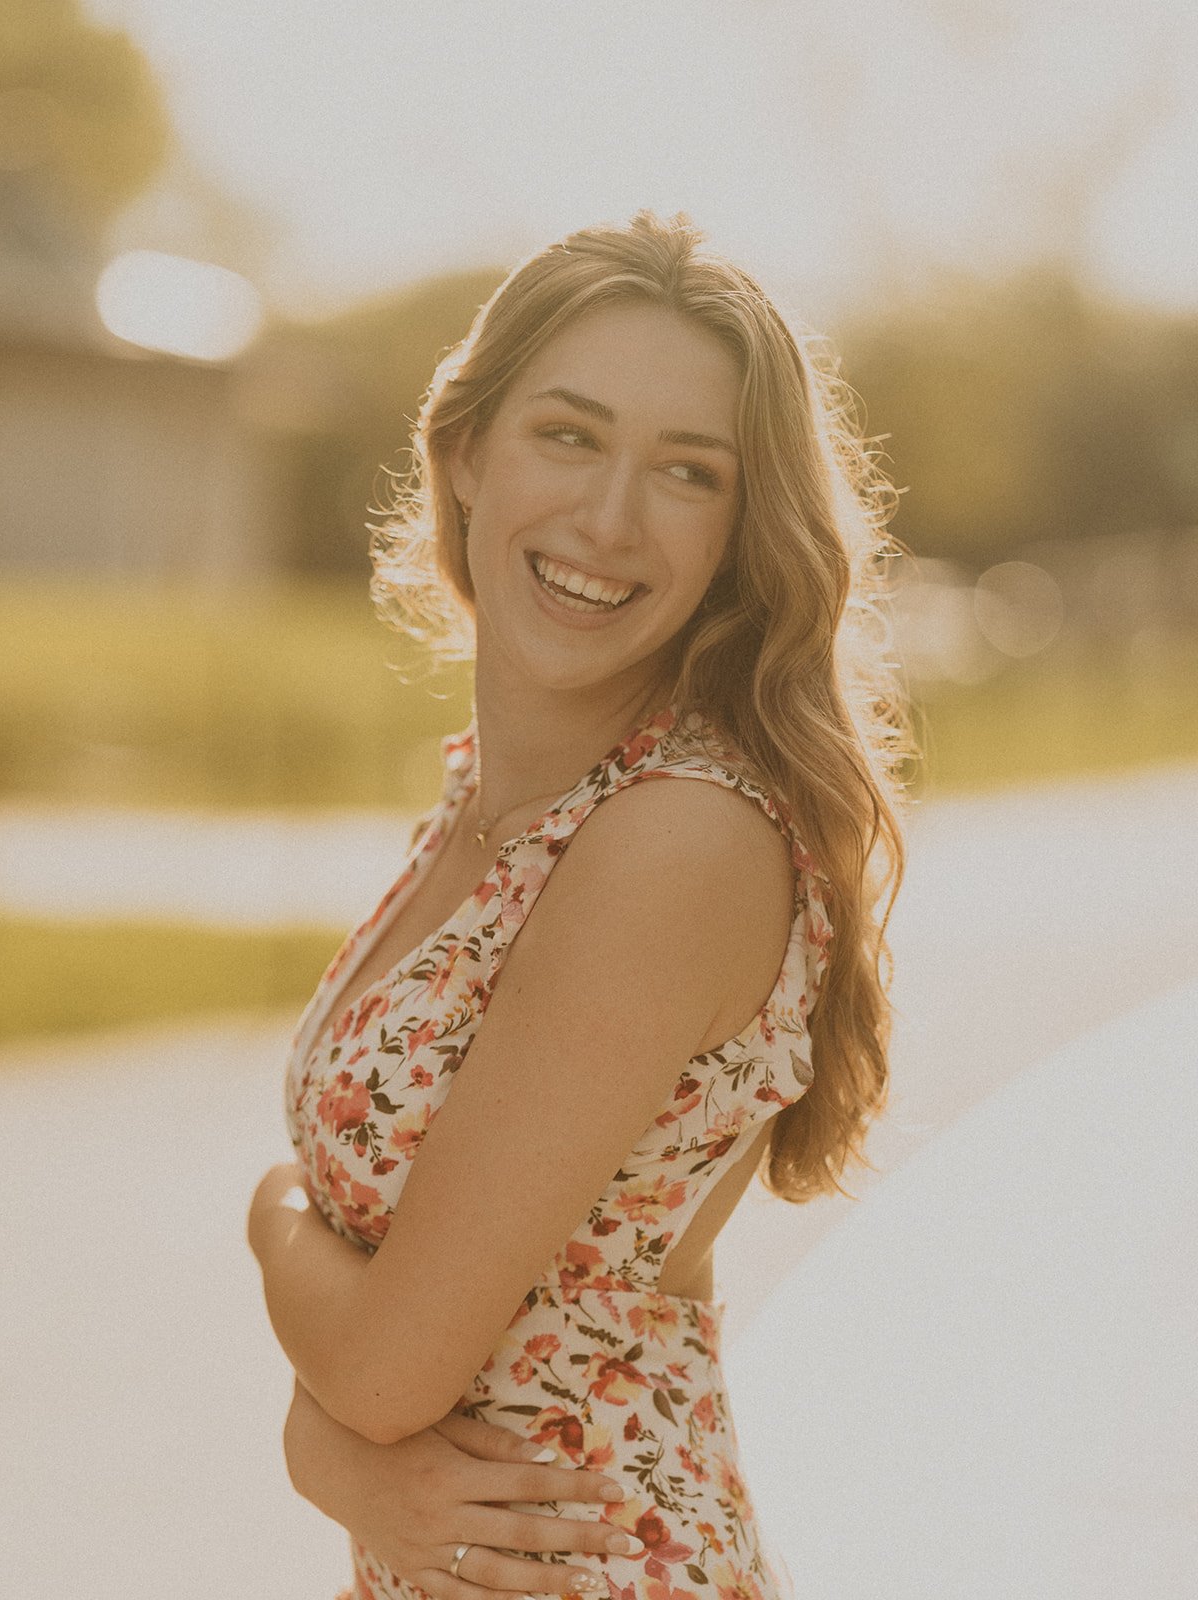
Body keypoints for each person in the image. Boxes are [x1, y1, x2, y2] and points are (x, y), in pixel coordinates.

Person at [246, 210, 913, 1600]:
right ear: (464, 453)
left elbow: (383, 1373)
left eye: (687, 472)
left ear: (739, 534)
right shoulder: (503, 811)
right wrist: (344, 1456)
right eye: (569, 435)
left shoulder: (676, 843)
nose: (609, 518)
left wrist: (269, 1224)